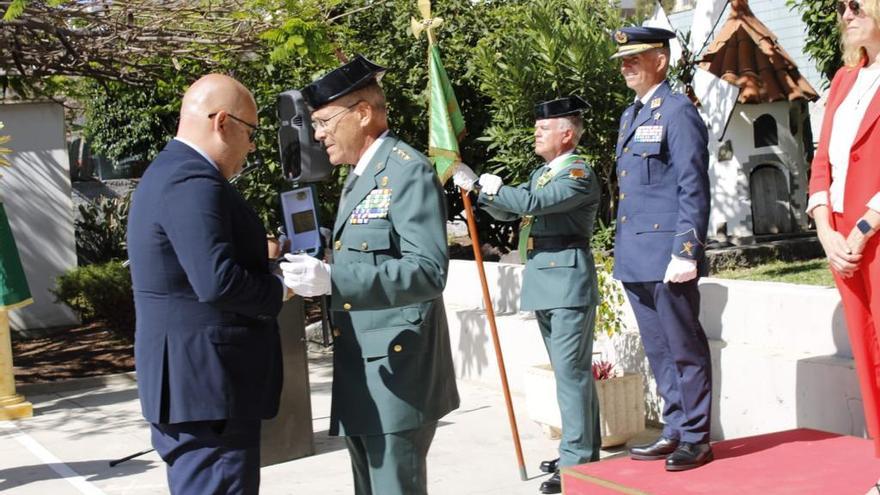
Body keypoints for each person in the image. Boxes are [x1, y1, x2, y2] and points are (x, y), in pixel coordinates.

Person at [280, 55, 460, 495]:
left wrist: (333, 280)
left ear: (362, 114)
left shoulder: (407, 170)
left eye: (324, 121)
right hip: (364, 367)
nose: (317, 134)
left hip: (398, 371)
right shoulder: (361, 175)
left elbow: (428, 271)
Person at [127, 74, 290, 494]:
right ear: (222, 122)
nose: (251, 146)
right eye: (250, 132)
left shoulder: (170, 171)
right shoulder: (192, 179)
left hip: (195, 386)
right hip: (208, 389)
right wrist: (284, 287)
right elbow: (217, 282)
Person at [454, 95, 601, 494]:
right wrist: (479, 189)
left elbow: (535, 204)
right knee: (570, 376)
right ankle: (582, 450)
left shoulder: (578, 173)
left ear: (567, 134)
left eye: (544, 127)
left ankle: (577, 459)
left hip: (568, 282)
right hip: (546, 282)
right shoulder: (543, 173)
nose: (536, 131)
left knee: (571, 376)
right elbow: (511, 209)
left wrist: (497, 189)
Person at [610, 26, 713, 471]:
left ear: (662, 60)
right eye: (623, 59)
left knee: (684, 347)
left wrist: (686, 251)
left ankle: (696, 436)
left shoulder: (677, 112)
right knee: (658, 350)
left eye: (635, 57)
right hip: (636, 256)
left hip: (669, 256)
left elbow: (693, 187)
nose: (626, 65)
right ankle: (674, 427)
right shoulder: (631, 115)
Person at [808, 0, 880, 461]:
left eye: (856, 4)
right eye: (840, 7)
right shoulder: (842, 79)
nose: (846, 14)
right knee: (868, 360)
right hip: (841, 243)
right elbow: (821, 163)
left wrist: (863, 225)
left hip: (871, 236)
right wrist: (824, 231)